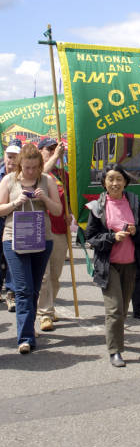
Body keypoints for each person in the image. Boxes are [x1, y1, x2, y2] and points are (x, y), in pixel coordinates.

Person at [85, 164, 140, 367]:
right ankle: (115, 351)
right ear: (104, 182)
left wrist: (135, 231)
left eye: (119, 179)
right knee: (114, 310)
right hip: (109, 265)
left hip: (131, 264)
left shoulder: (133, 202)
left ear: (125, 182)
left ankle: (117, 338)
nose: (115, 183)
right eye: (110, 179)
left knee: (122, 311)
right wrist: (112, 237)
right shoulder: (97, 207)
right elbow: (91, 238)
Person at [0, 143, 62, 353]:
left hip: (41, 238)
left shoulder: (47, 180)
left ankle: (28, 325)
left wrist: (44, 197)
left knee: (34, 288)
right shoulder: (9, 180)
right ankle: (25, 338)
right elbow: (0, 209)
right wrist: (16, 202)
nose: (32, 171)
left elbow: (57, 210)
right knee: (24, 289)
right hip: (13, 239)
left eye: (35, 167)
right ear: (20, 165)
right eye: (27, 167)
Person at [37, 138, 70, 331]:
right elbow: (39, 177)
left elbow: (68, 197)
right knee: (44, 275)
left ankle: (49, 305)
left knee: (55, 275)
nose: (52, 152)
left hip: (59, 229)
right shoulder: (36, 172)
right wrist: (55, 156)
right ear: (40, 151)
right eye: (48, 149)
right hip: (41, 228)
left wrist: (70, 214)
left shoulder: (61, 173)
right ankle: (45, 314)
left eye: (54, 149)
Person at [0, 139, 22, 311]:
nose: (12, 160)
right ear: (4, 156)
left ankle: (11, 293)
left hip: (14, 224)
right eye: (10, 156)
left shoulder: (23, 177)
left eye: (16, 157)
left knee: (12, 260)